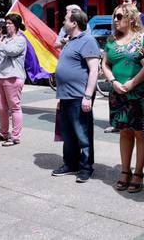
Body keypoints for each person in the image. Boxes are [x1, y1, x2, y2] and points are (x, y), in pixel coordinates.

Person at [101, 4, 144, 193]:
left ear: (131, 18)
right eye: (114, 16)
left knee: (139, 132)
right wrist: (112, 81)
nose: (115, 20)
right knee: (124, 132)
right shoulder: (112, 39)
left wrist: (133, 83)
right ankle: (124, 170)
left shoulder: (143, 38)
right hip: (117, 93)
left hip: (137, 92)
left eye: (119, 16)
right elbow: (105, 63)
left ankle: (138, 172)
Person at [52, 9, 101, 183]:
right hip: (66, 95)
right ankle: (70, 163)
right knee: (68, 133)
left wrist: (87, 96)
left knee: (83, 133)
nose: (63, 23)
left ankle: (86, 167)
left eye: (65, 20)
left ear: (74, 23)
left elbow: (94, 70)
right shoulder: (70, 41)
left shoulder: (87, 41)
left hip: (79, 95)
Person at [0, 13, 27, 146]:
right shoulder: (4, 39)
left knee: (14, 107)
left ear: (16, 25)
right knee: (0, 107)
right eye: (6, 23)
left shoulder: (21, 39)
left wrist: (0, 44)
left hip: (13, 77)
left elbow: (12, 51)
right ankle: (3, 133)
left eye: (9, 23)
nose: (7, 26)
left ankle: (15, 137)